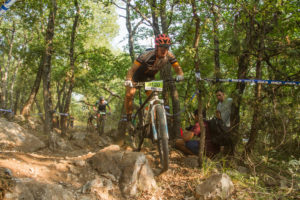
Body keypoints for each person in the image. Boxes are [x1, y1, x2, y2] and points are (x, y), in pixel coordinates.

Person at [124, 34, 184, 123]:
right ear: (156, 47)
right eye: (162, 48)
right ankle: (128, 115)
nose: (164, 50)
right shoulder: (146, 54)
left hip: (149, 78)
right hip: (136, 76)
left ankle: (150, 123)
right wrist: (128, 80)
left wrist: (180, 75)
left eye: (166, 48)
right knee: (129, 95)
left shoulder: (170, 55)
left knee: (154, 100)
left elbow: (178, 69)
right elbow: (132, 69)